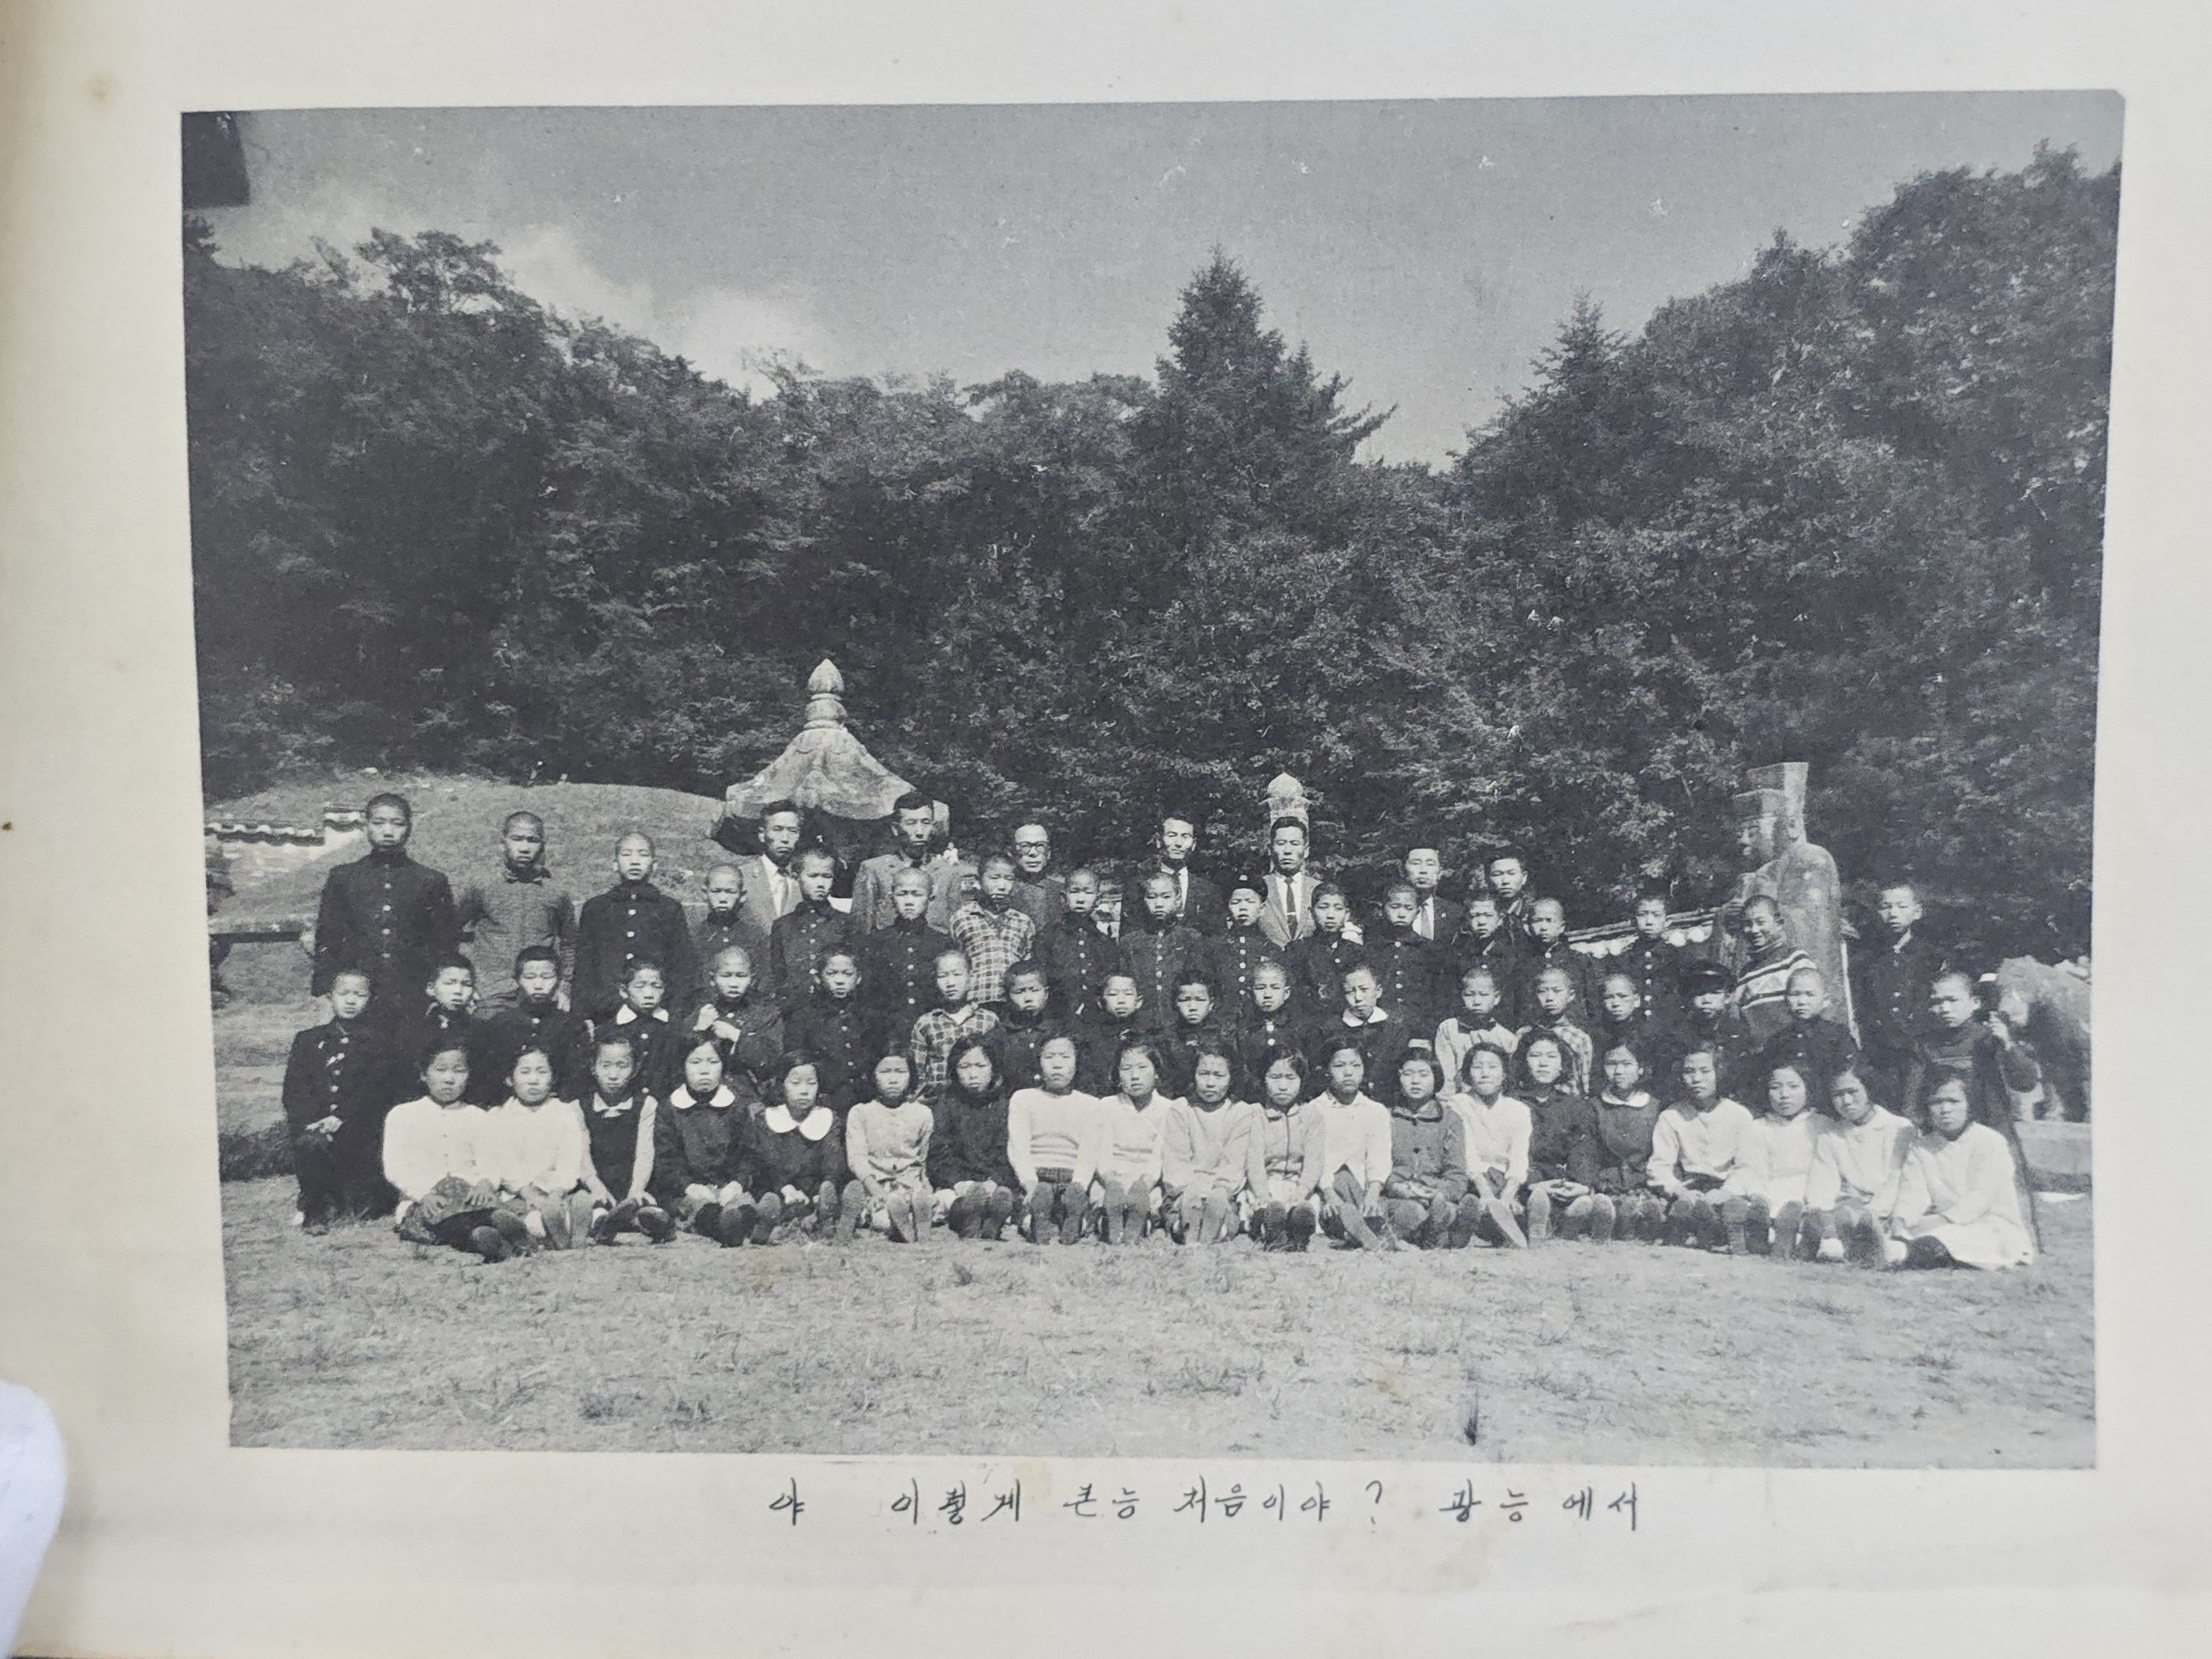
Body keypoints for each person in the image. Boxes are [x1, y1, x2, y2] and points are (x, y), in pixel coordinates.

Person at [1900, 970, 2044, 1244]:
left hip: (1993, 1130)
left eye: (1952, 1000)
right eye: (1937, 1002)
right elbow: (1912, 1100)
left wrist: (2008, 1045)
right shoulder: (1926, 1046)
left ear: (1975, 1003)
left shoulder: (1989, 1038)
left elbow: (2026, 1083)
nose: (1944, 1009)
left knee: (2004, 1204)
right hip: (1947, 1138)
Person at [310, 792, 460, 1022]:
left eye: (398, 824)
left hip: (413, 993)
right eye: (379, 823)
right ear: (366, 825)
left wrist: (440, 992)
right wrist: (324, 990)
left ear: (409, 827)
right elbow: (328, 937)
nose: (388, 832)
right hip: (357, 993)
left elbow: (444, 943)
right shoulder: (344, 877)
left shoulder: (430, 880)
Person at [282, 965, 405, 1232]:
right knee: (312, 1144)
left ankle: (350, 1196)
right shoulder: (308, 1040)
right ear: (330, 996)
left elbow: (376, 1092)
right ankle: (315, 1208)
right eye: (344, 993)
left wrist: (341, 1118)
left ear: (370, 999)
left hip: (359, 1129)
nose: (351, 1001)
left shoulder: (380, 1044)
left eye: (359, 995)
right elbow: (295, 1090)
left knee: (363, 1207)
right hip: (317, 1128)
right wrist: (312, 1121)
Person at [380, 1039, 517, 1260]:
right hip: (424, 1200)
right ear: (424, 1074)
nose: (449, 1079)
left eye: (459, 1071)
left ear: (468, 1075)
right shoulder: (402, 1115)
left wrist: (485, 1183)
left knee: (480, 1211)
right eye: (440, 1070)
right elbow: (395, 1168)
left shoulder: (478, 1117)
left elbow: (490, 1160)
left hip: (472, 1198)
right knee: (441, 1222)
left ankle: (500, 1228)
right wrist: (423, 1195)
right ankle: (483, 1238)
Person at [1885, 1077, 2034, 1270]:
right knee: (1909, 1232)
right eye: (1936, 1102)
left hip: (1991, 1225)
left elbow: (1982, 1197)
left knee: (1945, 1239)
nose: (1945, 1109)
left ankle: (1898, 1253)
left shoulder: (1991, 1142)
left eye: (1954, 1101)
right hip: (1942, 1223)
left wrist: (1941, 1221)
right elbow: (1913, 1191)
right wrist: (1901, 1220)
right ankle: (1895, 1248)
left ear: (1970, 1105)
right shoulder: (1922, 1147)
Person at [453, 810, 577, 1011]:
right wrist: (466, 984)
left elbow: (570, 943)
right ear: (503, 844)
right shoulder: (482, 886)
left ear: (542, 846)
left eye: (532, 840)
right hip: (491, 993)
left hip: (540, 995)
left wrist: (565, 987)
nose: (525, 848)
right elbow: (450, 933)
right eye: (517, 839)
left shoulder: (556, 892)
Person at [479, 1043, 596, 1250]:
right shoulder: (499, 1117)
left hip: (559, 1191)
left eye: (542, 1072)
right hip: (520, 1193)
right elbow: (504, 1162)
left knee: (579, 1203)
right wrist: (527, 1193)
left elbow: (570, 1157)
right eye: (525, 1072)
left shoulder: (565, 1113)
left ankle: (572, 1230)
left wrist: (558, 1191)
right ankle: (556, 1233)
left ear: (553, 1078)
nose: (534, 1080)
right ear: (510, 1079)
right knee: (517, 1214)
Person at [572, 832, 698, 1023]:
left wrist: (675, 1013)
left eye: (643, 854)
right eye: (627, 854)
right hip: (606, 1011)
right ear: (615, 864)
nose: (635, 861)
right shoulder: (597, 908)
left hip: (655, 1009)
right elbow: (585, 966)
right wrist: (583, 1016)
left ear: (654, 865)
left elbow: (681, 964)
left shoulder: (668, 909)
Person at [1646, 1046, 1756, 1249]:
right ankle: (1696, 1226)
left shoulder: (1739, 1115)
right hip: (1689, 1189)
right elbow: (1660, 1164)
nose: (1696, 1079)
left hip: (1726, 1188)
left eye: (1705, 1071)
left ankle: (1716, 1229)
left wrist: (1727, 1192)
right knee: (1681, 1208)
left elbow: (1748, 1165)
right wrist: (1678, 1190)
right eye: (1689, 1072)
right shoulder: (1672, 1116)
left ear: (1719, 1073)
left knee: (1735, 1209)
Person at [1803, 1065, 1915, 1264]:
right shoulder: (1831, 1136)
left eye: (1852, 1092)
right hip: (1850, 1206)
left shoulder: (1900, 1128)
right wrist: (1822, 1211)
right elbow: (1823, 1181)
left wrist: (1876, 1212)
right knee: (1829, 1216)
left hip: (1889, 1207)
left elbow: (1899, 1178)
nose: (1846, 1101)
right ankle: (1839, 1239)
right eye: (1838, 1095)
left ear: (1869, 1090)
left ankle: (1872, 1240)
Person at [1720, 1062, 1833, 1258]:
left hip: (1808, 1196)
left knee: (1813, 1222)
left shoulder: (1822, 1125)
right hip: (1769, 1196)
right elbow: (1749, 1167)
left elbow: (1828, 1171)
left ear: (1808, 1089)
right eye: (1775, 1087)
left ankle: (1794, 1239)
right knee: (1752, 1210)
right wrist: (1754, 1194)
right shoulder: (1758, 1127)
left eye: (1794, 1087)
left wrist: (1816, 1201)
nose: (1784, 1095)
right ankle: (1763, 1236)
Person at [653, 1034, 754, 1246]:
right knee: (698, 1209)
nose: (704, 1070)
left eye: (713, 1062)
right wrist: (688, 1186)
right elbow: (667, 1159)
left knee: (744, 1204)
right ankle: (723, 1227)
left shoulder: (737, 1107)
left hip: (728, 1188)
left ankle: (739, 1221)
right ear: (683, 1066)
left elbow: (747, 1154)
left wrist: (736, 1183)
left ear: (723, 1066)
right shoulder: (670, 1108)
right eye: (696, 1062)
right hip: (689, 1190)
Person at [575, 1032, 674, 1245]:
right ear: (593, 1068)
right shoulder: (580, 1107)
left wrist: (637, 1188)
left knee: (646, 1205)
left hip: (632, 1180)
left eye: (622, 1066)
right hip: (597, 1183)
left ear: (635, 1069)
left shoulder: (646, 1104)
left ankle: (644, 1221)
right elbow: (582, 1155)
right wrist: (596, 1187)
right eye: (606, 1066)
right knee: (594, 1205)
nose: (613, 1075)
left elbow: (645, 1152)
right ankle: (604, 1223)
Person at [1160, 1047, 1266, 1245]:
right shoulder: (1180, 1109)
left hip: (1222, 1191)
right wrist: (1191, 1191)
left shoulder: (1241, 1112)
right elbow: (1175, 1160)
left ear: (1231, 1079)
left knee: (1225, 1210)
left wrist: (1219, 1191)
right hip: (1185, 1191)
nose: (1210, 1083)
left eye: (1219, 1076)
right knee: (1178, 1211)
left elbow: (1234, 1163)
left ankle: (1215, 1227)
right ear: (1193, 1075)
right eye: (1203, 1074)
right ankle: (1185, 1226)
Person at [1853, 881, 1945, 1108]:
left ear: (1918, 911)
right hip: (1878, 1056)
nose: (1893, 913)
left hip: (1920, 1054)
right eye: (1886, 907)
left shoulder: (1932, 958)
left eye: (1902, 906)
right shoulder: (1864, 961)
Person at [739, 1051, 848, 1243]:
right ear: (782, 1085)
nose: (804, 1091)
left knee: (827, 1196)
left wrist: (819, 1191)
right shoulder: (767, 1119)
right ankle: (768, 1223)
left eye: (811, 1083)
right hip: (779, 1188)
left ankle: (822, 1217)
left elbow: (833, 1163)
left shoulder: (828, 1118)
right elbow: (767, 1163)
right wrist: (785, 1188)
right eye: (796, 1083)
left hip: (813, 1191)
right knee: (768, 1199)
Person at [1073, 1041, 1175, 1244]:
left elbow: (1159, 1157)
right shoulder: (1107, 1106)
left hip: (1147, 1181)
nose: (1135, 1076)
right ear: (1118, 1074)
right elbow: (1102, 1152)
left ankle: (1141, 1222)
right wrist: (1112, 1182)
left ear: (1156, 1073)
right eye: (1127, 1069)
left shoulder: (1168, 1109)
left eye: (1143, 1068)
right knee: (1100, 1195)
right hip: (1111, 1179)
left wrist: (1144, 1183)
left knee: (1154, 1199)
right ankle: (1107, 1222)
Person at [1300, 1039, 1395, 1251]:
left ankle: (1358, 1229)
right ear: (1327, 1071)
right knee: (1340, 1187)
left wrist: (1373, 1194)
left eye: (1355, 1065)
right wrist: (1329, 1195)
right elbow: (1314, 1160)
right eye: (1339, 1066)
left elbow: (1379, 1158)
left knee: (1381, 1206)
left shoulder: (1376, 1111)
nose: (1348, 1072)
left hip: (1365, 1190)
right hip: (1325, 1190)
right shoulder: (1314, 1110)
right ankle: (1370, 1234)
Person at [1381, 1046, 1480, 1249]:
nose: (1415, 1081)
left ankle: (1448, 1229)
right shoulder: (1386, 1118)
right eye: (1408, 1074)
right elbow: (1377, 1166)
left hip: (1437, 1194)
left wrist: (1439, 1193)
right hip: (1399, 1195)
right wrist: (1398, 1188)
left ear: (1436, 1079)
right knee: (1411, 1212)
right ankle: (1439, 1236)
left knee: (1445, 1208)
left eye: (1423, 1075)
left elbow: (1457, 1173)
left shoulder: (1450, 1119)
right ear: (1399, 1078)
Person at [1515, 1032, 1605, 1244]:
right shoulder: (1514, 1104)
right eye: (1535, 1056)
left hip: (1561, 1180)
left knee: (1578, 1196)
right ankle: (1542, 1220)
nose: (1543, 1063)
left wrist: (1583, 1184)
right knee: (1532, 1198)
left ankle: (1570, 1221)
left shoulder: (1575, 1106)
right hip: (1527, 1180)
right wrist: (1535, 1183)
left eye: (1551, 1057)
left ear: (1562, 1065)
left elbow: (1583, 1149)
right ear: (1524, 1062)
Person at [1007, 1034, 1098, 1245]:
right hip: (1037, 1177)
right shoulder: (1023, 1099)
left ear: (1077, 1062)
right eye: (1049, 1057)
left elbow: (1089, 1153)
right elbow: (1018, 1147)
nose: (1057, 1065)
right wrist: (1031, 1185)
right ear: (1039, 1062)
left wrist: (1079, 1185)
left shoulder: (1091, 1104)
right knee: (1029, 1207)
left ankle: (1075, 1221)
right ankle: (1035, 1222)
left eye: (1065, 1057)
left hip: (1071, 1178)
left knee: (1078, 1205)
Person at [855, 867, 957, 1048]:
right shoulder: (875, 942)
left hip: (933, 1037)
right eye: (902, 894)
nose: (909, 901)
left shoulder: (943, 944)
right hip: (887, 1038)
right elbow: (868, 998)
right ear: (892, 898)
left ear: (930, 898)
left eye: (917, 894)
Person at [843, 1052, 935, 1244]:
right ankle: (903, 1225)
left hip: (911, 1185)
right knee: (881, 1217)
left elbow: (922, 1160)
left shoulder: (922, 1113)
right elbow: (857, 1159)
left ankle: (917, 1222)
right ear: (873, 1076)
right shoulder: (861, 1113)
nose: (893, 1080)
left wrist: (925, 1189)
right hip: (876, 1187)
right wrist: (877, 1191)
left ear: (911, 1075)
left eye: (900, 1072)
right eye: (885, 1072)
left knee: (933, 1202)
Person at [478, 945, 585, 1104]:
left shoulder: (571, 1025)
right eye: (530, 977)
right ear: (517, 980)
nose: (538, 985)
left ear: (559, 980)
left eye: (547, 977)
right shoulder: (501, 1024)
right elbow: (491, 1076)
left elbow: (575, 1077)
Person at [1447, 1041, 1531, 1246]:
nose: (1485, 1074)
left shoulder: (1519, 1110)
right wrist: (1486, 1194)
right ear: (1468, 1074)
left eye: (1493, 1067)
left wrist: (1507, 1196)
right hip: (1472, 1178)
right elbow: (1467, 1152)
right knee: (1472, 1201)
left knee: (1514, 1203)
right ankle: (1486, 1224)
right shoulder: (1458, 1104)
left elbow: (1519, 1156)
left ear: (1505, 1074)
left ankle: (1500, 1221)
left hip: (1505, 1180)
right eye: (1477, 1067)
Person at [781, 945, 880, 1110]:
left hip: (867, 1100)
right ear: (818, 978)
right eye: (832, 973)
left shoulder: (870, 1015)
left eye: (847, 974)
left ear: (858, 978)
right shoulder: (804, 1017)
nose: (840, 980)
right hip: (824, 1102)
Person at [1589, 1040, 1667, 1243]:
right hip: (1607, 1184)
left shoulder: (1656, 1108)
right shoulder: (1594, 1107)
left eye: (1627, 1064)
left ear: (1641, 1068)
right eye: (1611, 1064)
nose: (1618, 1071)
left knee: (1649, 1208)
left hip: (1644, 1183)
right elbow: (1588, 1153)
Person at [686, 945, 784, 1103]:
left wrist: (737, 1036)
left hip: (749, 1098)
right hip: (706, 1098)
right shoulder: (701, 1014)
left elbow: (771, 1060)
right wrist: (700, 1030)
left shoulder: (766, 1015)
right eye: (726, 976)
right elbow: (680, 1060)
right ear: (713, 979)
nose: (733, 983)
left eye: (741, 976)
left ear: (752, 979)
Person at [1756, 966, 1861, 1110]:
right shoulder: (1778, 1040)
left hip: (1827, 1109)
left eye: (1810, 995)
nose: (1802, 1001)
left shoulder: (1837, 1035)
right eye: (1795, 994)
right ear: (1786, 999)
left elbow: (1846, 1075)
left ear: (1825, 999)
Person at [909, 950, 1001, 1106]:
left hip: (979, 1101)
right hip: (939, 1102)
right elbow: (919, 1069)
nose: (950, 983)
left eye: (957, 974)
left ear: (971, 979)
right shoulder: (926, 1023)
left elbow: (998, 1065)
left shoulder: (988, 1020)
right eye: (943, 976)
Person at [401, 954, 493, 1106]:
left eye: (466, 984)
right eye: (450, 983)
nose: (458, 991)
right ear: (431, 989)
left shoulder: (481, 1031)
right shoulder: (415, 1030)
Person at [949, 852, 1039, 1006]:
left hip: (1012, 1003)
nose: (1002, 886)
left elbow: (1027, 965)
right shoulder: (961, 918)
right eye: (994, 878)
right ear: (979, 881)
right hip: (975, 1001)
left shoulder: (1024, 922)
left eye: (1008, 879)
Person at [767, 847, 849, 1014]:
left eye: (827, 876)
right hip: (795, 1013)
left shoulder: (845, 923)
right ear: (796, 877)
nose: (820, 883)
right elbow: (777, 975)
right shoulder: (783, 926)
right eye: (813, 876)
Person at [1252, 1053, 1320, 1251]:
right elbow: (1254, 1162)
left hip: (1298, 1185)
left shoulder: (1312, 1115)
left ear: (1301, 1081)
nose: (1283, 1086)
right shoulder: (1256, 1113)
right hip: (1265, 1184)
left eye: (1290, 1078)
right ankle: (1273, 1232)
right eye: (1275, 1078)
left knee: (1304, 1208)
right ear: (1264, 1080)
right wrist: (1263, 1194)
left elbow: (1314, 1164)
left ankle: (1299, 1233)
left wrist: (1300, 1192)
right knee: (1266, 1208)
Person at [1366, 880, 1451, 1036]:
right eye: (1395, 907)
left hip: (1419, 1028)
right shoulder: (1372, 949)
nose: (1401, 913)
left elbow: (1439, 997)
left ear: (1417, 912)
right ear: (1383, 909)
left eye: (1408, 908)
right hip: (1379, 1028)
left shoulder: (1429, 951)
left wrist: (1427, 1031)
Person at [1039, 867, 1122, 1022]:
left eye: (1088, 893)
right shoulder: (1049, 936)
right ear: (1064, 897)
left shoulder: (1104, 941)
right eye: (1075, 892)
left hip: (1096, 1017)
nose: (1081, 899)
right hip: (1058, 1015)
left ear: (1098, 899)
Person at [1122, 869, 1204, 1022]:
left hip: (1179, 1022)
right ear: (1144, 900)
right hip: (1142, 1020)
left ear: (1177, 900)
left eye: (1166, 897)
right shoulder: (1130, 942)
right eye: (1152, 897)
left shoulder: (1191, 938)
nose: (1159, 904)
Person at [594, 958, 681, 1103]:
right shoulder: (606, 1032)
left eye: (656, 986)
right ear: (624, 991)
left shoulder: (675, 1030)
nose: (649, 994)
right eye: (640, 986)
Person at [1732, 895, 1814, 1044]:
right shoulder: (1745, 973)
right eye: (1748, 924)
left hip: (1792, 1045)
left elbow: (1809, 1008)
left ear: (1778, 924)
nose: (1754, 930)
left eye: (1761, 922)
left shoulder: (1795, 960)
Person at [1677, 961, 1759, 1104]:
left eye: (1714, 993)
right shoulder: (1681, 1037)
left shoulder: (1740, 1034)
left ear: (1728, 997)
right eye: (1700, 993)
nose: (1706, 1000)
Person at [1286, 883, 1367, 1020]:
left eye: (1338, 909)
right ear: (1311, 912)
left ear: (1347, 914)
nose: (1331, 915)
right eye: (1323, 908)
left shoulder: (1357, 952)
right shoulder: (1298, 950)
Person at [1327, 962, 1414, 1089]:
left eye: (1364, 990)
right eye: (1350, 992)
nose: (1358, 998)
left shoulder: (1396, 1028)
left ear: (1378, 991)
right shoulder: (1333, 1029)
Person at [690, 862, 768, 1003]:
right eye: (716, 891)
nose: (723, 898)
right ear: (705, 894)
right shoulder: (694, 935)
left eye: (730, 892)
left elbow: (763, 980)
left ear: (742, 896)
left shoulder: (755, 935)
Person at [1435, 966, 1519, 1096]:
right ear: (1462, 996)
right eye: (1469, 995)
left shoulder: (1507, 1038)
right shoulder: (1449, 1028)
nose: (1477, 1002)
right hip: (1457, 1098)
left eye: (1484, 995)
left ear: (1497, 998)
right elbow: (1448, 1076)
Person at [733, 800, 810, 939]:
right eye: (777, 830)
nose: (785, 839)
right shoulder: (742, 877)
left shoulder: (806, 879)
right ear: (762, 835)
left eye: (793, 831)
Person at [1591, 970, 1682, 1088]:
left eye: (1623, 996)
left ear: (1637, 1001)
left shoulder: (1652, 1035)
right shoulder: (1596, 1035)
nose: (1616, 1003)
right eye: (1608, 997)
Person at [1208, 874, 1286, 1011]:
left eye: (1250, 902)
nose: (1243, 907)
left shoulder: (1272, 949)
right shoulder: (1214, 948)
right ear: (1228, 908)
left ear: (1262, 909)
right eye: (1236, 902)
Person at [1516, 965, 1595, 1096]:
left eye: (1557, 991)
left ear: (1571, 996)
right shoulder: (1523, 1034)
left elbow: (1584, 1082)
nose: (1549, 998)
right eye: (1542, 992)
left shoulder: (1579, 1038)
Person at [1157, 968, 1235, 1098]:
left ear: (1211, 1004)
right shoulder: (1168, 1038)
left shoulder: (1226, 1036)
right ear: (1175, 1003)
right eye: (1185, 1000)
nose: (1193, 1007)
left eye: (1200, 1000)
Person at [1235, 959, 1312, 1090]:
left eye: (1275, 988)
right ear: (1251, 993)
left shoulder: (1302, 1028)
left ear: (1286, 993)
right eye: (1260, 988)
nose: (1268, 995)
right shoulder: (1242, 1030)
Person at [1519, 899, 1597, 1026]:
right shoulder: (1523, 964)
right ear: (1530, 927)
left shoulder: (1579, 961)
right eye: (1537, 921)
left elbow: (1593, 1005)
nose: (1543, 927)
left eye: (1549, 920)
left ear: (1562, 927)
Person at [1074, 969, 1151, 1097]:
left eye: (1128, 994)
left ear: (1139, 1002)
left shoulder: (1148, 1035)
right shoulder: (1091, 1039)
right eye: (1113, 994)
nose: (1121, 1000)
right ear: (1100, 1002)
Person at [1617, 891, 1688, 1027]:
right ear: (1633, 921)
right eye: (1642, 915)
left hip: (1669, 1029)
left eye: (1657, 915)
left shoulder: (1678, 957)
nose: (1649, 922)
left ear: (1667, 921)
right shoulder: (1624, 959)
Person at [1258, 818, 1325, 947]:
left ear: (1306, 851)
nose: (1288, 850)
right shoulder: (1259, 888)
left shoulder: (1319, 889)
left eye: (1294, 843)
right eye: (1281, 843)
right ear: (1271, 849)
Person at [1153, 813, 1224, 935]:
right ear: (1159, 841)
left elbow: (1217, 937)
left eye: (1186, 837)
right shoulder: (1140, 886)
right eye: (1172, 836)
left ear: (1194, 844)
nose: (1179, 843)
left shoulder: (1209, 890)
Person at [993, 961, 1060, 1091]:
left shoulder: (1058, 1031)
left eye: (1035, 990)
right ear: (1007, 996)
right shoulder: (1000, 1035)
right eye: (1019, 992)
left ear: (1046, 994)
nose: (1028, 998)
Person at [1401, 840, 1466, 950]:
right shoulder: (1393, 910)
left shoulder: (1455, 913)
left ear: (1440, 872)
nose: (1423, 870)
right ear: (1404, 870)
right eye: (1416, 863)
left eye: (1431, 864)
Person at [1009, 822, 1068, 932]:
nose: (1033, 853)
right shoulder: (1005, 890)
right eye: (1025, 846)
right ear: (1012, 853)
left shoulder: (1063, 891)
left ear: (1049, 853)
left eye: (1040, 846)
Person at [1484, 849, 1535, 947]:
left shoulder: (1534, 911)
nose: (1505, 881)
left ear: (1524, 878)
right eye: (1497, 874)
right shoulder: (1480, 913)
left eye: (1511, 873)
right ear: (1488, 880)